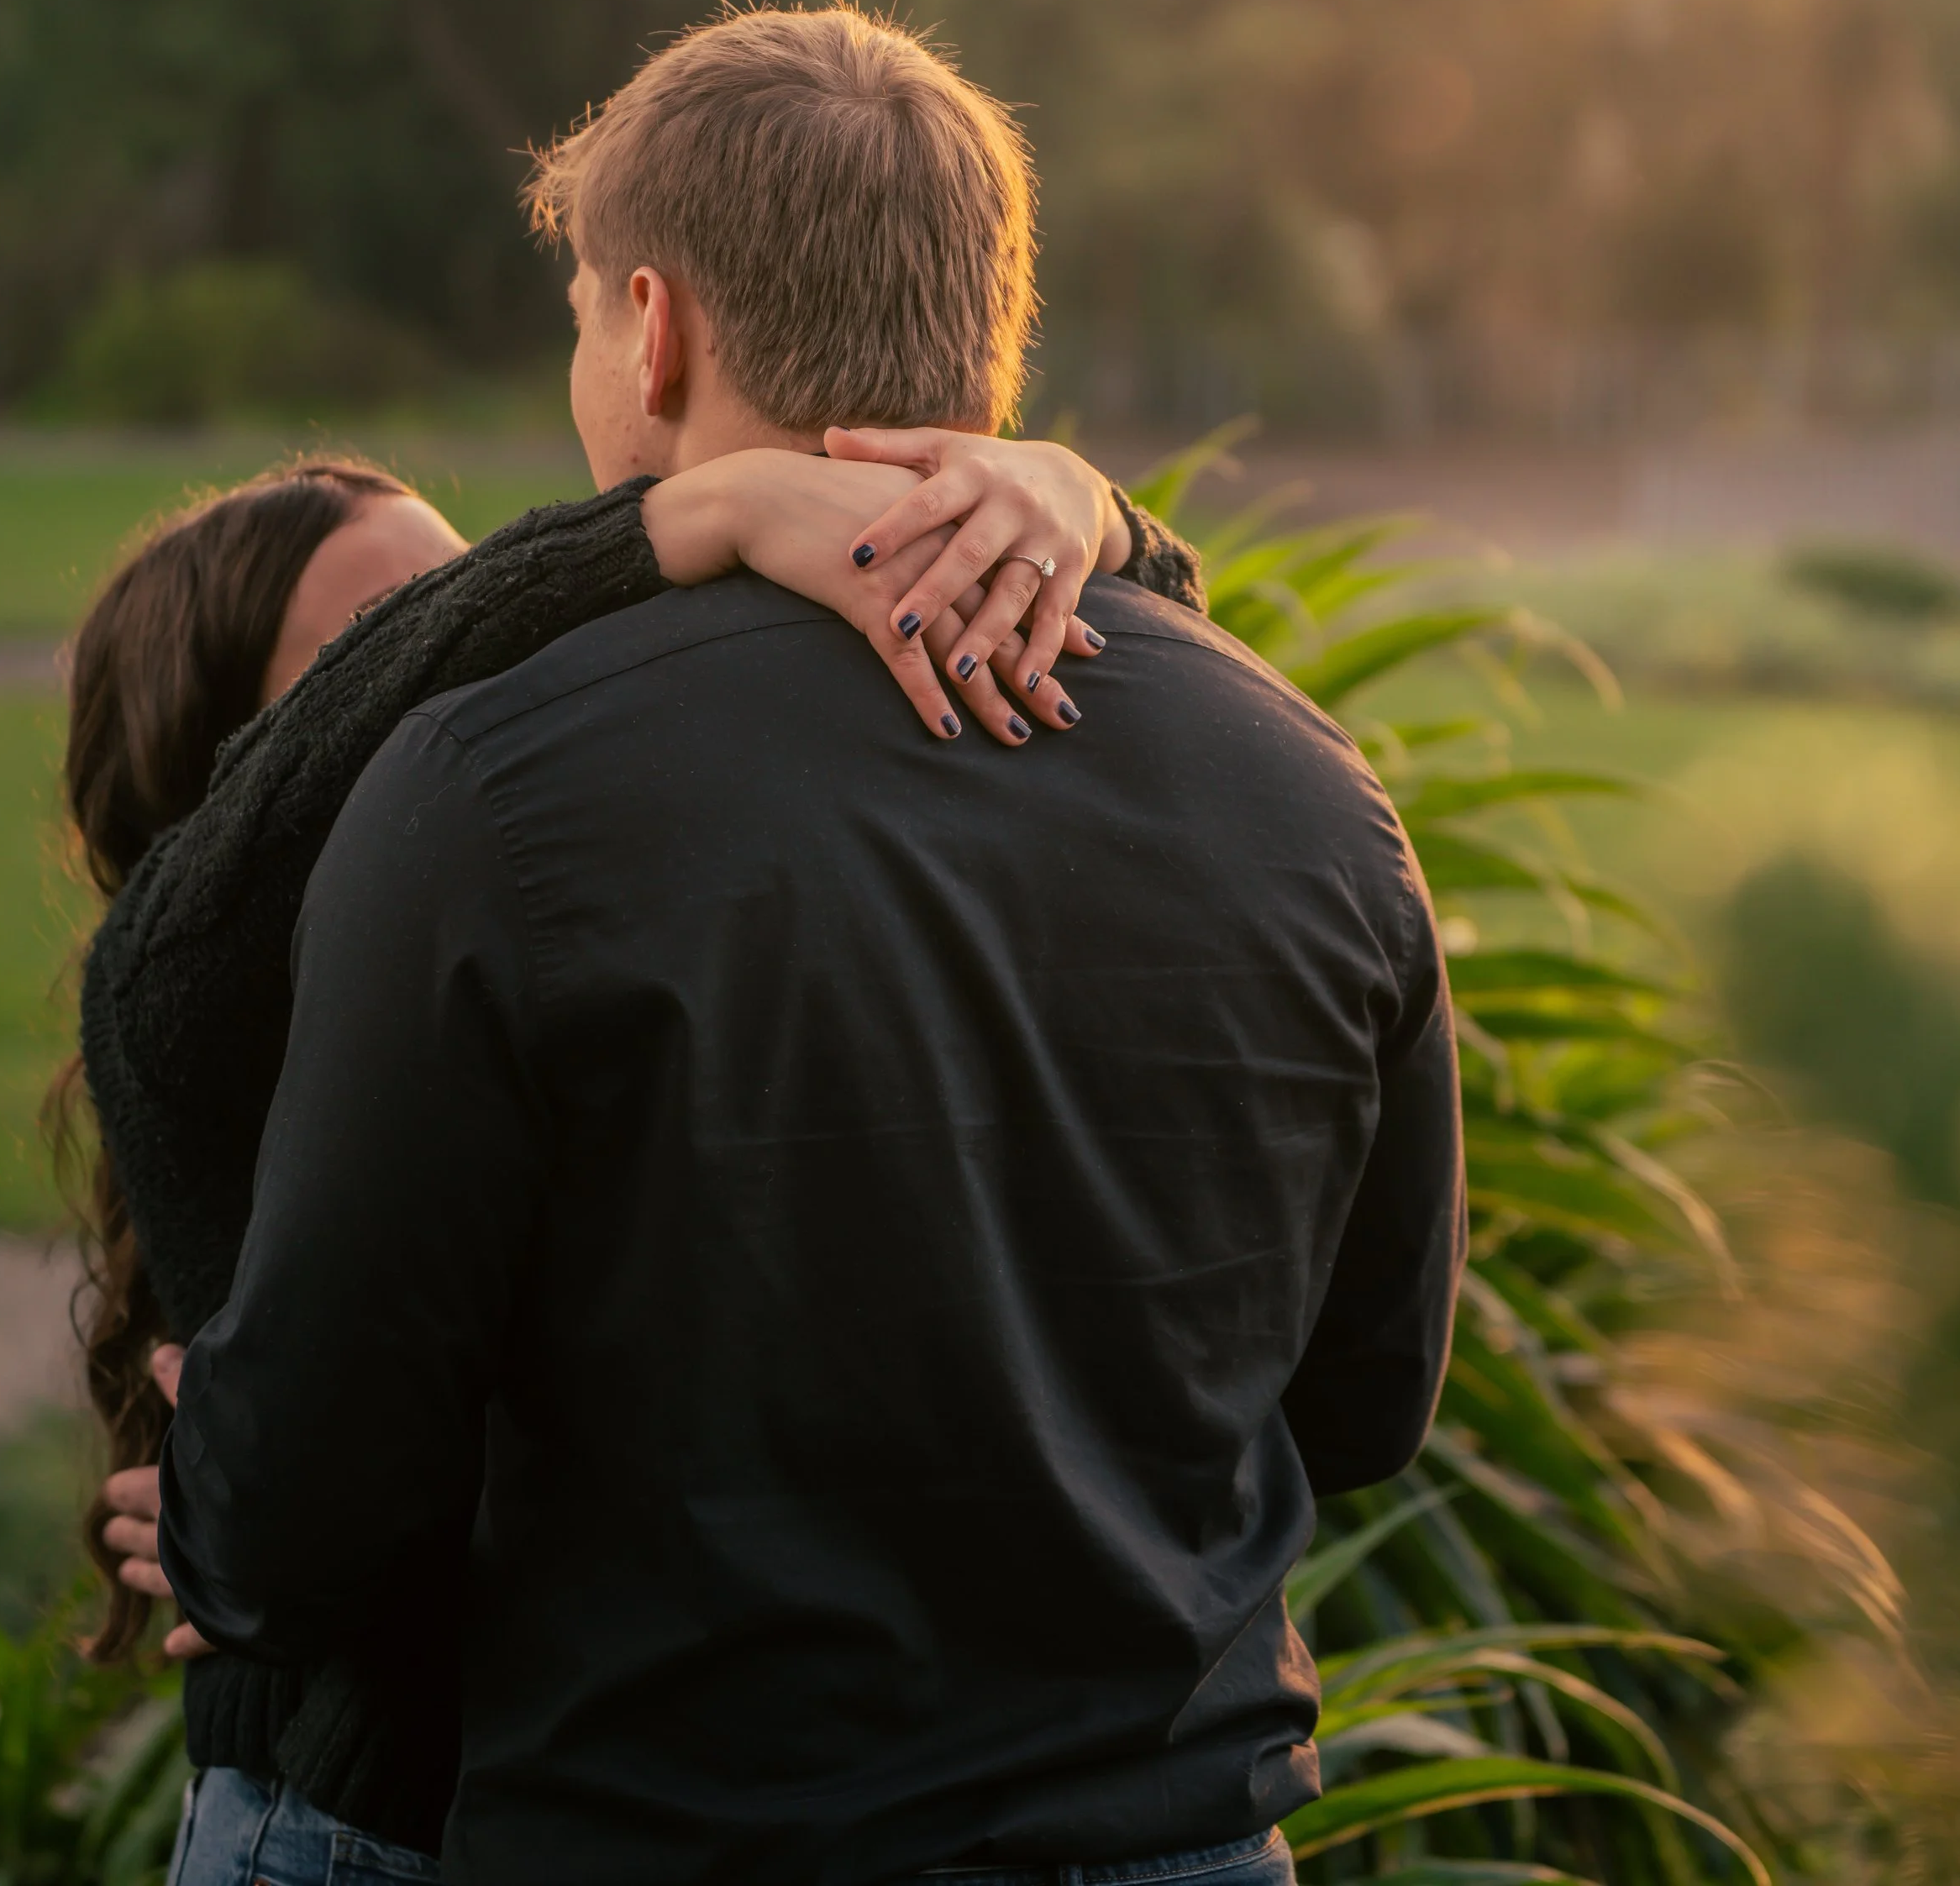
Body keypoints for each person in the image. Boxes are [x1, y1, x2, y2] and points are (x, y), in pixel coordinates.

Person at [156, 6, 1466, 1886]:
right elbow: (1359, 1400)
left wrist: (219, 1496)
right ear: (982, 332)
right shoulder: (1316, 795)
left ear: (652, 322)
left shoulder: (493, 788)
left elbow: (300, 1514)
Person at [66, 412, 1198, 1876]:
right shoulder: (183, 1010)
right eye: (376, 656)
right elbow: (386, 1513)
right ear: (231, 778)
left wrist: (1084, 513)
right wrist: (691, 510)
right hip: (346, 1829)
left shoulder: (537, 951)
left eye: (464, 612)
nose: (455, 677)